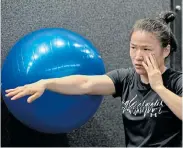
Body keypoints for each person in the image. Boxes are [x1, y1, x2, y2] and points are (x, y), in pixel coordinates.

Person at [5, 11, 182, 147]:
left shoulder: (176, 81)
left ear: (165, 50)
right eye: (133, 47)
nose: (137, 56)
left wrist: (159, 87)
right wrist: (46, 83)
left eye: (146, 49)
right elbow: (85, 83)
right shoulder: (126, 78)